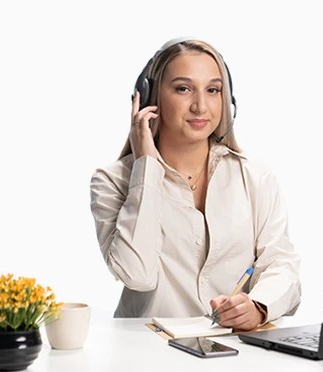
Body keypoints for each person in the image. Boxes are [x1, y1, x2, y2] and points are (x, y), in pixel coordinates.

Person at [89, 38, 300, 331]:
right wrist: (145, 168)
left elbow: (281, 263)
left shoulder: (255, 177)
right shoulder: (112, 181)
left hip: (235, 353)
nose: (201, 106)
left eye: (213, 90)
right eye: (183, 89)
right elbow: (137, 274)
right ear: (151, 98)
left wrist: (258, 306)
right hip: (148, 356)